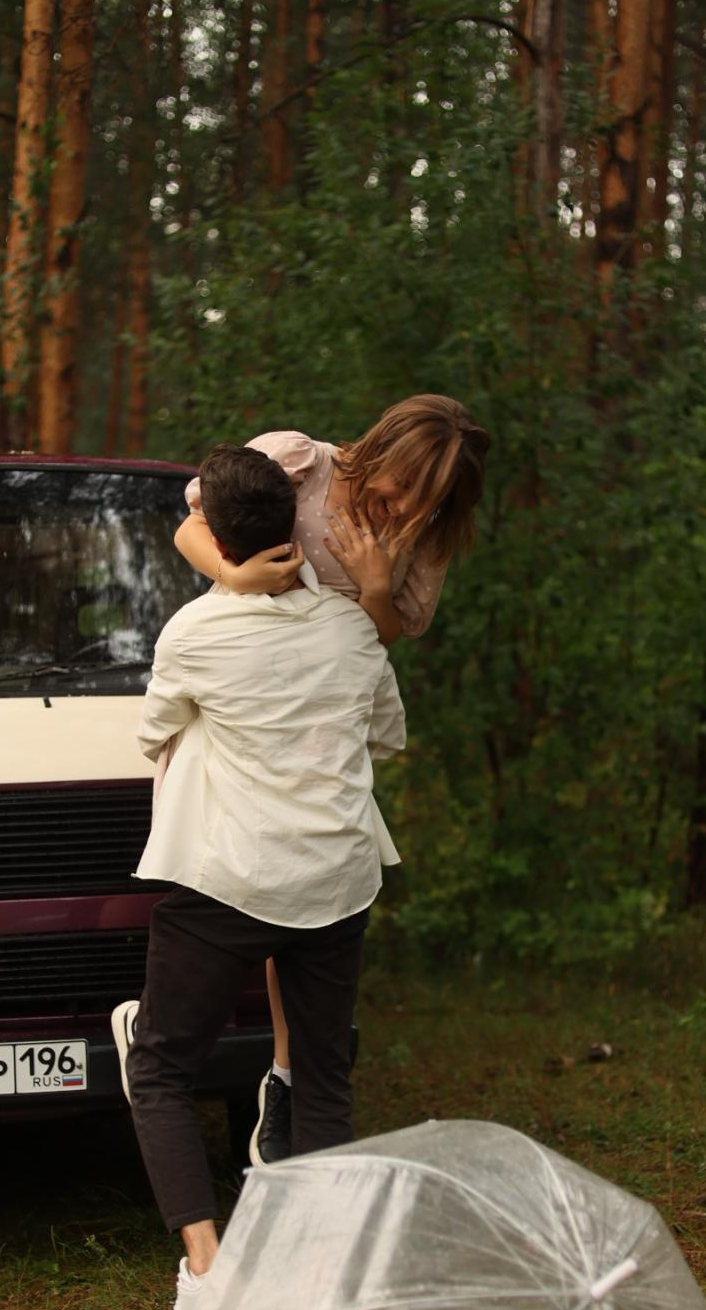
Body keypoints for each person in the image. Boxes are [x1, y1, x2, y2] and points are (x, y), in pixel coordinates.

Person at [113, 442, 406, 1310]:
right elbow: (387, 740)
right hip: (335, 882)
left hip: (231, 883)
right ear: (294, 529)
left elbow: (148, 733)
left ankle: (207, 1275)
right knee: (322, 1080)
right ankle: (315, 1281)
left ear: (216, 538)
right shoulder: (356, 629)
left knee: (159, 1068)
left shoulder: (194, 634)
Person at [173, 395, 489, 1167]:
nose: (410, 504)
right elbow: (189, 525)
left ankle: (287, 1080)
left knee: (312, 892)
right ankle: (169, 1036)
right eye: (407, 481)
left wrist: (377, 585)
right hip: (244, 705)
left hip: (320, 731)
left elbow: (384, 640)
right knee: (231, 884)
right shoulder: (297, 460)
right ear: (381, 444)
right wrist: (235, 576)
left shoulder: (424, 536)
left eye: (432, 497)